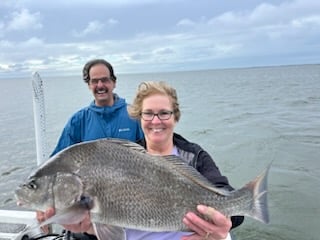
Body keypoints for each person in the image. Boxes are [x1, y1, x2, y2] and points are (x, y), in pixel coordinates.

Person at [41, 81, 244, 240]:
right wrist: (88, 229)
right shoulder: (123, 156)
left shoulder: (194, 156)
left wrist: (225, 224)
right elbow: (106, 226)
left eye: (164, 113)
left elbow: (228, 198)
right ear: (139, 117)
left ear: (175, 117)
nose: (156, 121)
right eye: (148, 113)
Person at [36, 59, 144, 239]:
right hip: (89, 214)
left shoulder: (134, 116)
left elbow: (153, 158)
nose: (100, 85)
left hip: (129, 211)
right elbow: (55, 167)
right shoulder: (78, 121)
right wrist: (42, 205)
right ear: (88, 85)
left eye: (105, 80)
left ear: (114, 82)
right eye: (95, 81)